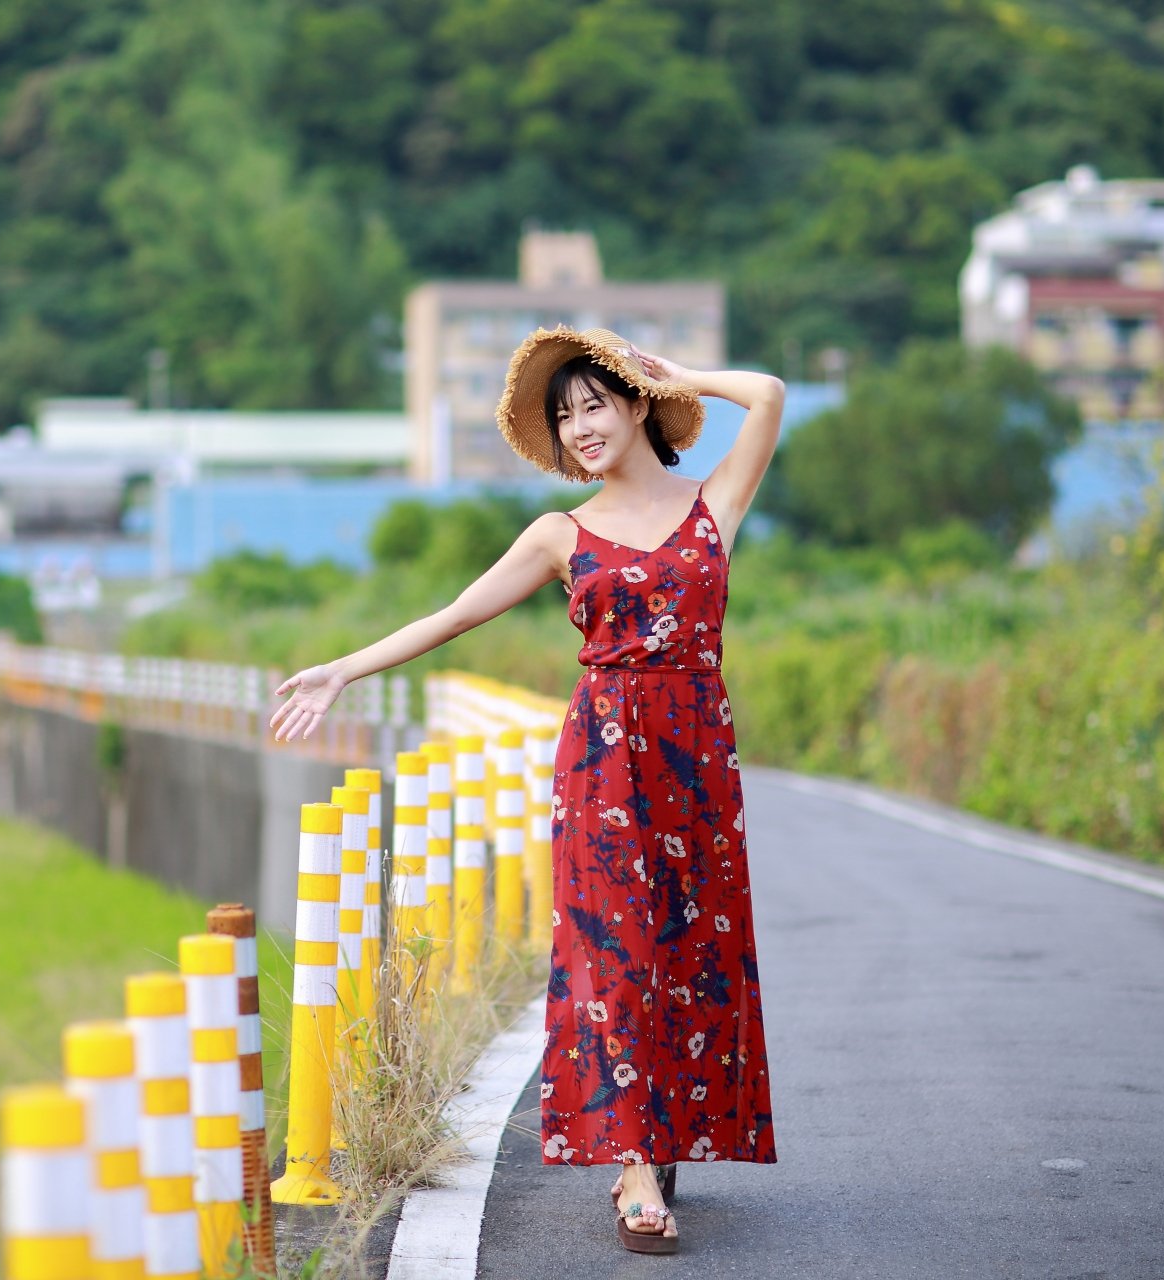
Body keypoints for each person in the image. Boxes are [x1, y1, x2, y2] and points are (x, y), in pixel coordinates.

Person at [266, 326, 784, 1256]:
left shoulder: (716, 505)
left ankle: (660, 1134)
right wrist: (341, 670)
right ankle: (632, 1168)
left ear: (636, 408)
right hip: (602, 759)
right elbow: (456, 614)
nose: (581, 427)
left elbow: (772, 393)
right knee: (613, 953)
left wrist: (678, 374)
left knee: (690, 949)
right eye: (564, 416)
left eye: (596, 404)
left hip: (700, 757)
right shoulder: (561, 534)